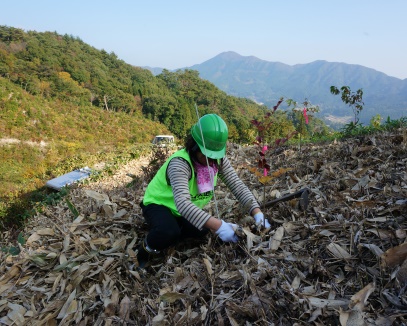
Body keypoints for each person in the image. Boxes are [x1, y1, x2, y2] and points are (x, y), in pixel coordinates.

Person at [137, 114, 270, 268]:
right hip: (158, 204)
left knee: (201, 230)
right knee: (168, 231)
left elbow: (237, 186)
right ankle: (144, 251)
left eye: (215, 156)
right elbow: (183, 204)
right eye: (207, 155)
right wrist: (219, 225)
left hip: (180, 211)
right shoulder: (180, 164)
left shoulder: (217, 160)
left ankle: (176, 231)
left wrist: (257, 212)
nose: (211, 161)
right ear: (194, 146)